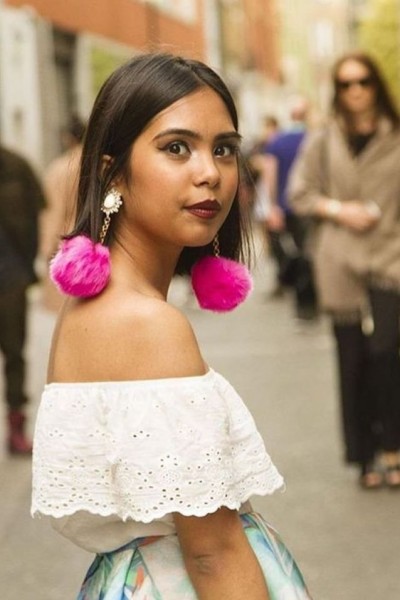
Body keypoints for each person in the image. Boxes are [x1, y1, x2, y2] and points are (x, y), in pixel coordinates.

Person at [31, 53, 312, 599]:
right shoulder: (147, 323)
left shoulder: (96, 307)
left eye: (224, 148)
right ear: (114, 171)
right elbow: (213, 554)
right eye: (176, 148)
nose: (210, 173)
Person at [289, 51, 400, 489]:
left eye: (363, 81)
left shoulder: (395, 136)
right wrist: (339, 209)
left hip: (391, 257)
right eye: (346, 84)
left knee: (386, 354)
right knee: (352, 360)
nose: (356, 91)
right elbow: (299, 194)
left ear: (376, 85)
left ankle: (393, 445)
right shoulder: (324, 139)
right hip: (339, 259)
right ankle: (364, 455)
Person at [0, 146, 45, 454]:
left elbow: (38, 210)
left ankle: (16, 427)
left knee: (15, 354)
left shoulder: (16, 166)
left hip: (12, 275)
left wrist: (29, 262)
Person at [264, 98, 317, 319]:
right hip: (312, 207)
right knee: (309, 253)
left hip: (286, 206)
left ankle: (303, 302)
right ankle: (310, 301)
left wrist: (273, 206)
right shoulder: (314, 138)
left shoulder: (277, 141)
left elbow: (270, 175)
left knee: (296, 252)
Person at [40, 116, 85, 311]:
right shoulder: (101, 165)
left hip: (67, 242)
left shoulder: (59, 169)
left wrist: (46, 248)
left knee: (69, 310)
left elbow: (53, 212)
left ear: (67, 138)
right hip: (99, 240)